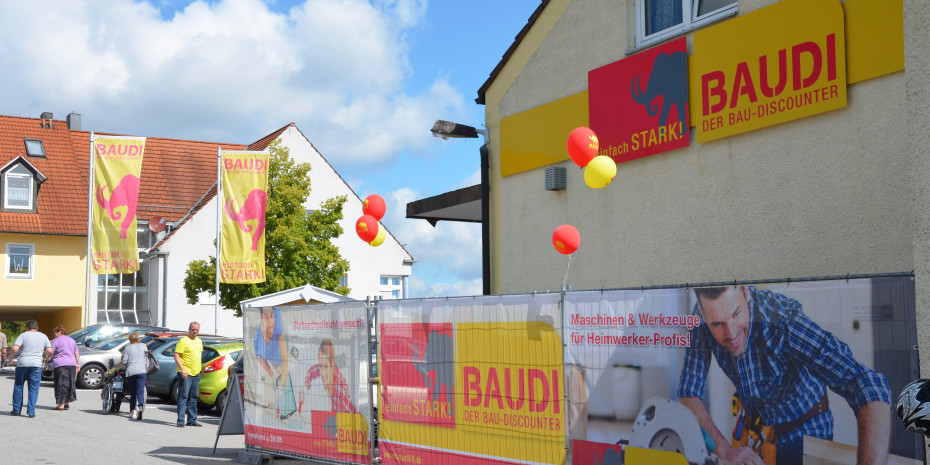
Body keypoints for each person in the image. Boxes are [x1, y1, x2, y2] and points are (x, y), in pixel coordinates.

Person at [678, 286, 892, 465]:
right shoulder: (701, 319)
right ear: (703, 314)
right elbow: (689, 394)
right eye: (718, 324)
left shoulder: (783, 322)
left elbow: (865, 383)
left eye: (736, 314)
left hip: (805, 431)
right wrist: (726, 451)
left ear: (745, 292)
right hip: (759, 434)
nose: (732, 334)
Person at [303, 339, 358, 414]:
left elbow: (346, 418)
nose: (322, 373)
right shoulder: (324, 370)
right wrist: (305, 387)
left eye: (326, 366)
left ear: (332, 364)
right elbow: (311, 372)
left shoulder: (340, 392)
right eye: (320, 365)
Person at [10, 320, 51, 417]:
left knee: (19, 386)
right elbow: (50, 350)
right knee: (33, 388)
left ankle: (16, 410)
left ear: (27, 328)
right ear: (37, 328)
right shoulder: (43, 336)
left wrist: (11, 359)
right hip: (36, 364)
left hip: (22, 364)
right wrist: (45, 358)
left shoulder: (23, 335)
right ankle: (31, 412)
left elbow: (14, 349)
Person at [174, 321, 203, 427]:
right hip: (186, 373)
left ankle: (192, 420)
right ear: (189, 329)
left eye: (197, 330)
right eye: (193, 329)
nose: (195, 331)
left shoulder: (199, 341)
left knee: (193, 397)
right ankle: (180, 420)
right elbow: (176, 355)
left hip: (196, 373)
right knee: (183, 396)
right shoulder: (183, 341)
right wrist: (183, 369)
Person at [254, 307, 289, 394]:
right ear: (261, 318)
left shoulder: (278, 320)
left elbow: (285, 361)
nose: (270, 322)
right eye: (266, 317)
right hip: (275, 365)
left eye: (271, 316)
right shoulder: (258, 339)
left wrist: (281, 388)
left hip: (288, 355)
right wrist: (272, 375)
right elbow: (260, 358)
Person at [50, 325, 79, 410]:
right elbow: (76, 353)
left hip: (60, 364)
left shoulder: (55, 341)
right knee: (69, 383)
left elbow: (51, 352)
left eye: (55, 332)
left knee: (60, 384)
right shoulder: (72, 340)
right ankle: (66, 402)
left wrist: (45, 359)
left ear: (59, 332)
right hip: (72, 364)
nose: (54, 334)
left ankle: (60, 405)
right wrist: (77, 364)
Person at [121, 332, 148, 420]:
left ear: (129, 339)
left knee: (133, 393)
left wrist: (118, 367)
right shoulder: (143, 346)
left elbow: (124, 361)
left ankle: (133, 412)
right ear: (138, 338)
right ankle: (140, 407)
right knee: (140, 392)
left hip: (131, 372)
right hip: (142, 371)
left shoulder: (128, 348)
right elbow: (146, 357)